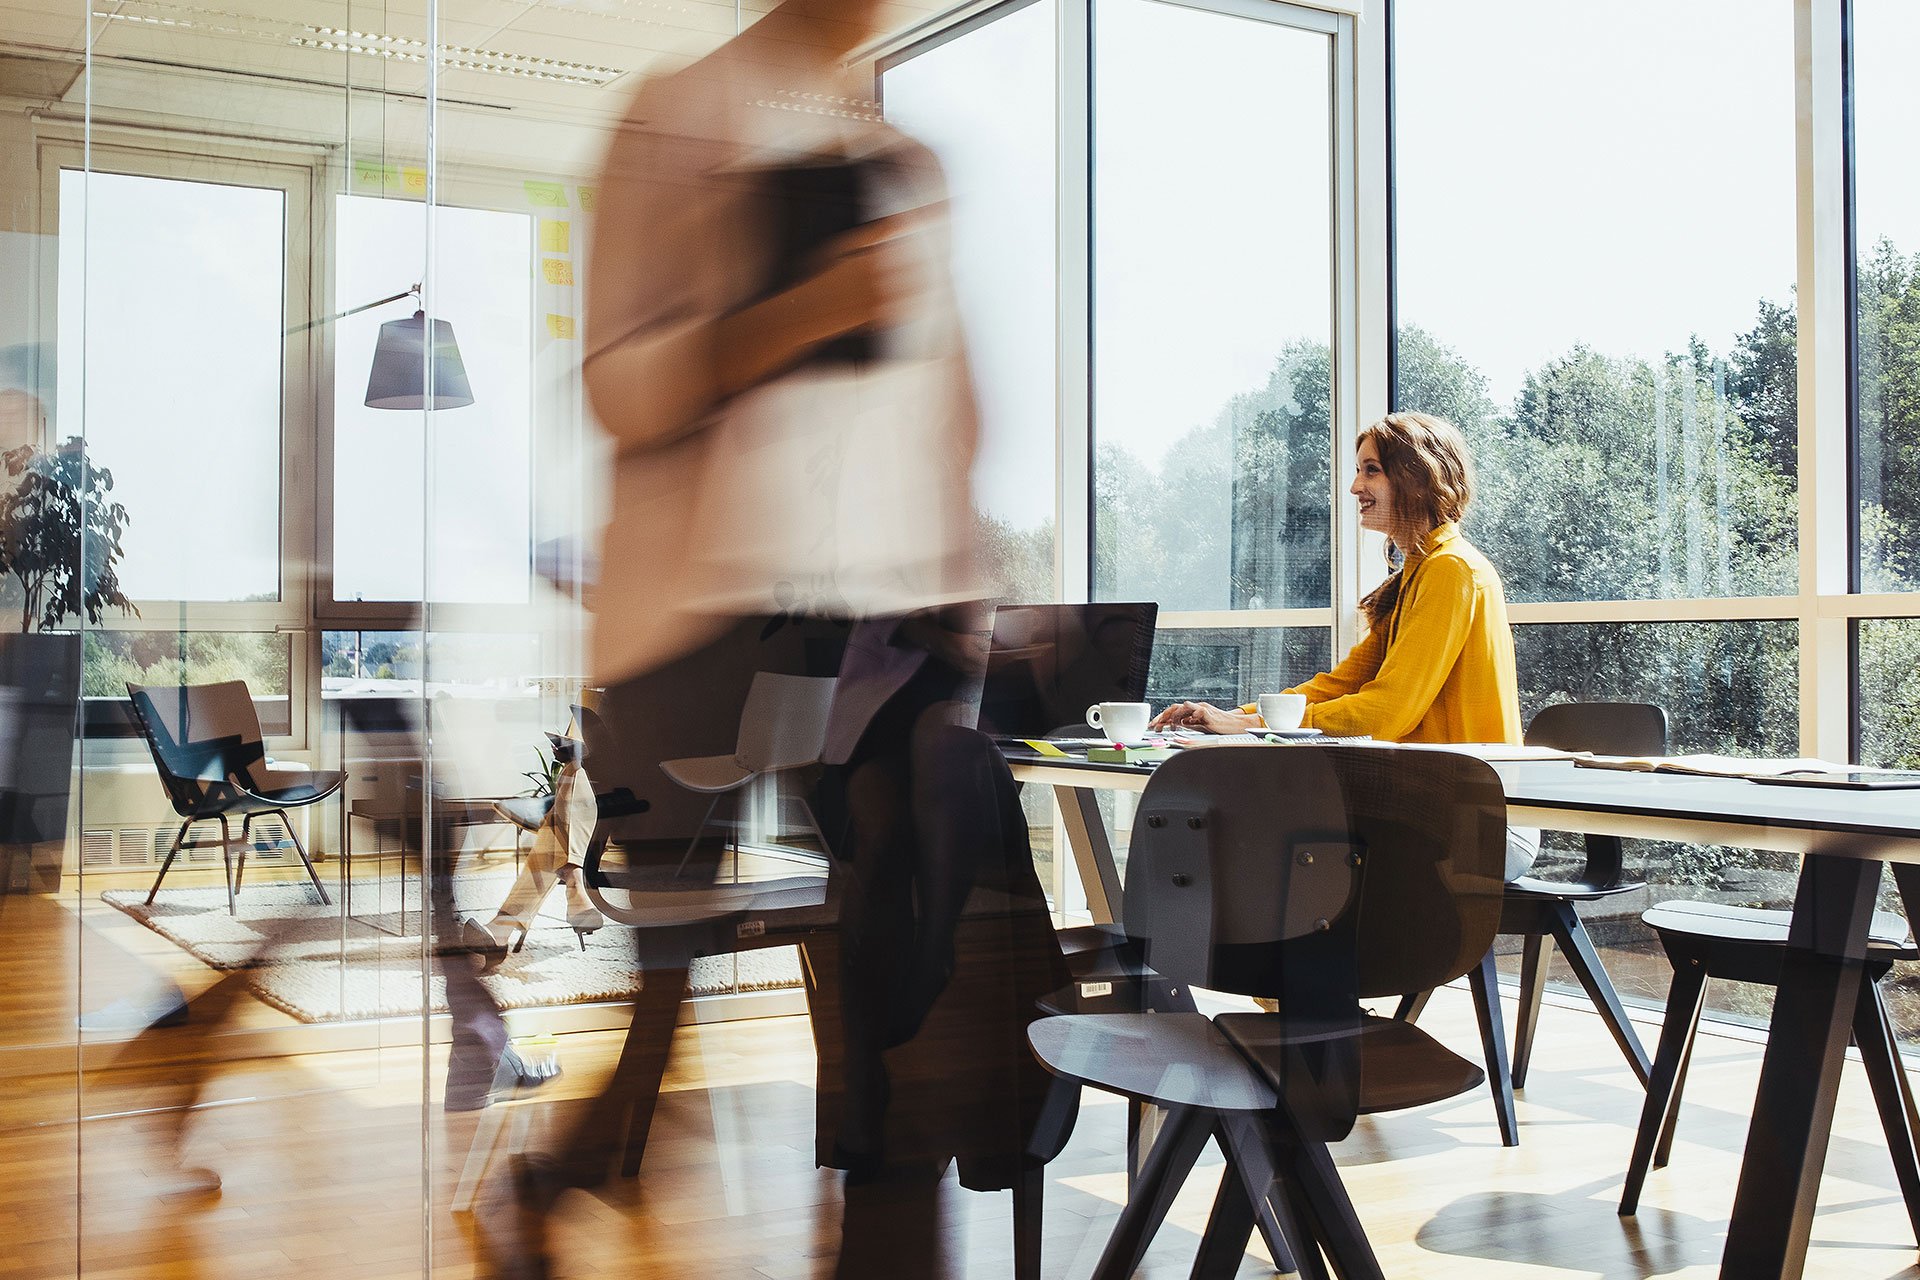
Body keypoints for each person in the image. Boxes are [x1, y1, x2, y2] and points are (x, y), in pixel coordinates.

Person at [1152, 410, 1539, 878]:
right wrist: (1236, 717)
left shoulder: (1452, 570)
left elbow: (1388, 711)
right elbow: (1339, 685)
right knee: (1262, 827)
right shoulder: (1420, 572)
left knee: (1270, 835)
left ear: (1416, 476)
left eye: (1370, 470)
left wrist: (1258, 731)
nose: (1355, 487)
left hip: (1480, 821)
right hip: (1434, 805)